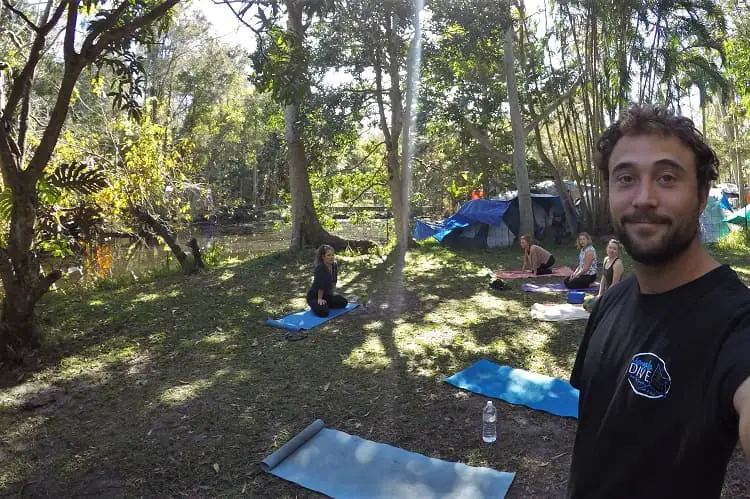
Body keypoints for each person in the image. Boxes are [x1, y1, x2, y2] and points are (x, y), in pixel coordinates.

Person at [567, 104, 750, 498]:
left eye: (667, 178)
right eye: (626, 178)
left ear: (701, 196)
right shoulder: (610, 304)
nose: (644, 198)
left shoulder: (736, 322)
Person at [306, 245, 348, 317]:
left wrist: (333, 293)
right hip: (315, 296)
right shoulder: (320, 268)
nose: (331, 257)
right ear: (323, 257)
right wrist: (319, 299)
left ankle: (325, 304)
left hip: (326, 295)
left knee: (343, 302)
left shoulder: (334, 265)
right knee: (324, 313)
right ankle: (315, 305)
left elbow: (334, 280)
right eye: (328, 255)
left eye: (332, 255)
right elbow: (321, 286)